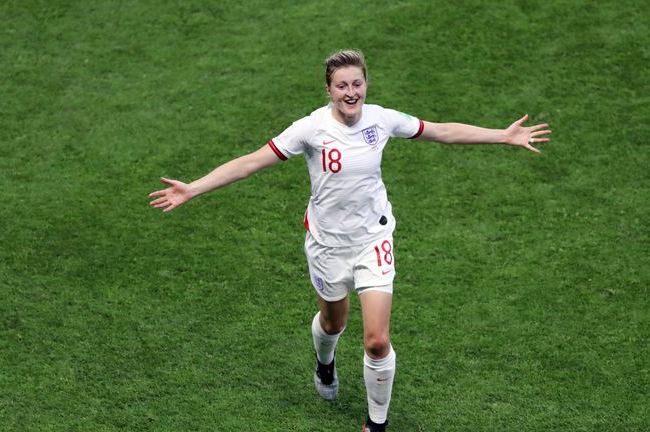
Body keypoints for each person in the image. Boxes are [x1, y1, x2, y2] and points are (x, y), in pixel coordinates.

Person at [149, 49, 550, 431]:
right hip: (326, 247)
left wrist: (502, 135)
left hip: (373, 240)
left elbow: (442, 132)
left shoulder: (382, 120)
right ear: (329, 90)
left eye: (356, 84)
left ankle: (377, 423)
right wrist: (193, 189)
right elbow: (252, 162)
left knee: (377, 341)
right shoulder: (310, 129)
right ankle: (325, 362)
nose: (351, 93)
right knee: (332, 321)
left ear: (366, 84)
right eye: (342, 86)